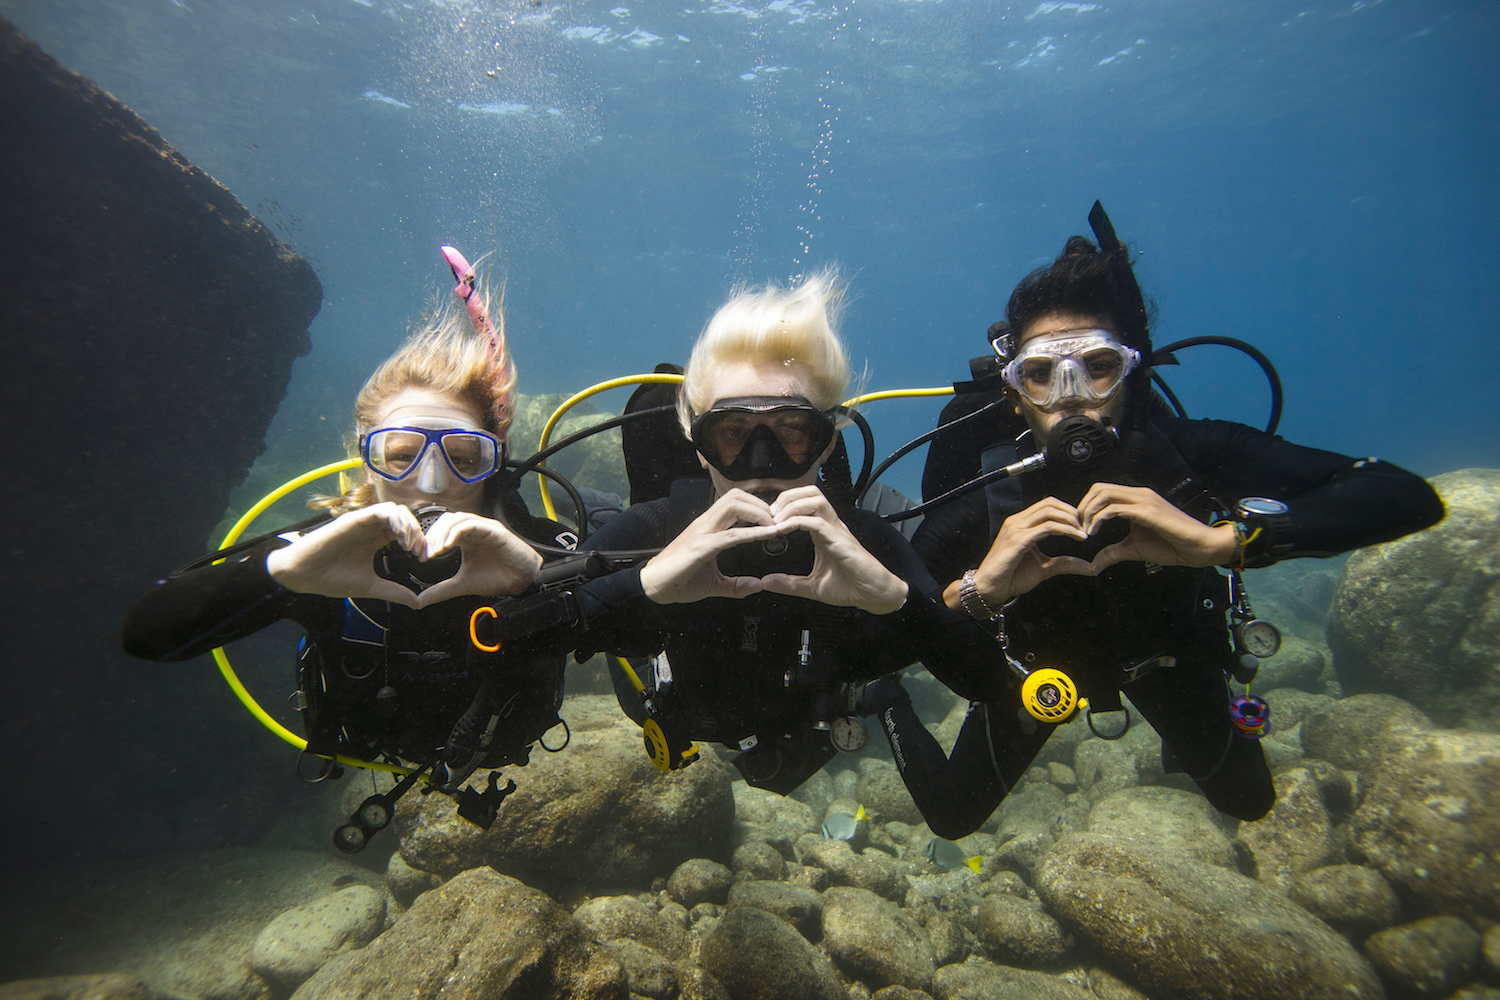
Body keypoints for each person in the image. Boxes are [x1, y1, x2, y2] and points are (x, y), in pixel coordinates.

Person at [863, 213, 1446, 838]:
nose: (1070, 396)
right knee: (952, 818)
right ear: (1013, 393)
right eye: (1041, 374)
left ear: (1131, 371)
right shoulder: (990, 490)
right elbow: (900, 620)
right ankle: (888, 707)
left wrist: (1227, 542)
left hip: (1167, 659)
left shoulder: (1186, 455)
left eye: (1097, 365)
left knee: (1248, 801)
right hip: (1036, 671)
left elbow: (1402, 495)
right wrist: (977, 589)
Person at [487, 268, 999, 793]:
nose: (761, 464)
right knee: (603, 537)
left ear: (826, 443)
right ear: (696, 440)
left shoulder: (862, 540)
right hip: (665, 700)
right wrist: (643, 585)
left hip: (810, 717)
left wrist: (896, 599)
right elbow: (502, 641)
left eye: (792, 431)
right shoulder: (656, 529)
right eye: (732, 433)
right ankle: (596, 515)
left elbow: (988, 683)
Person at [121, 249, 575, 822]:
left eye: (464, 457)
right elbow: (146, 634)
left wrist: (540, 581)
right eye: (401, 456)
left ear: (495, 461)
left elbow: (646, 622)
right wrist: (282, 576)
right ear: (366, 458)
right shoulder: (325, 553)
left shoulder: (534, 543)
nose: (430, 485)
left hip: (503, 744)